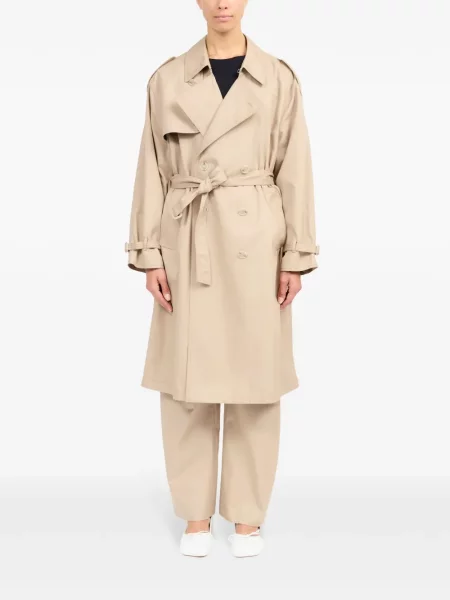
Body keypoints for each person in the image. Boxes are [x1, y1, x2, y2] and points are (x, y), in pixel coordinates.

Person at [124, 0, 319, 558]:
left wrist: (296, 254)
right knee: (187, 384)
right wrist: (149, 253)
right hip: (188, 240)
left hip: (257, 244)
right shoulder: (167, 79)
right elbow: (151, 170)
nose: (222, 2)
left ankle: (247, 518)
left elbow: (295, 168)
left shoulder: (278, 78)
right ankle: (195, 515)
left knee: (256, 383)